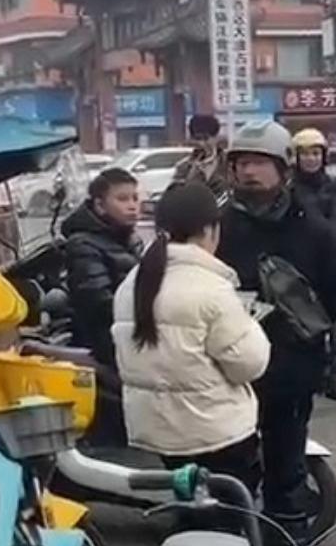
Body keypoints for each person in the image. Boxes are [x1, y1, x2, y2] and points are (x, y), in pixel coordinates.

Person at [217, 119, 336, 546]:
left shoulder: (314, 229)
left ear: (284, 169)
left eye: (259, 163)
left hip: (291, 368)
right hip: (228, 371)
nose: (249, 172)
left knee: (287, 463)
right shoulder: (218, 227)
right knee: (229, 468)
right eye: (241, 162)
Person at [112, 178, 270, 506]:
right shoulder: (211, 288)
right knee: (225, 522)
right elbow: (249, 364)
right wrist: (251, 325)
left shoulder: (132, 283)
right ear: (210, 229)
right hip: (214, 432)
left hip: (159, 431)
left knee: (188, 512)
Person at [60, 167, 141, 441]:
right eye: (122, 199)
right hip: (106, 344)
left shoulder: (130, 240)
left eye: (134, 198)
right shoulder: (83, 244)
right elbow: (97, 300)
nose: (132, 205)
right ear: (99, 205)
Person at [291, 127, 336, 236]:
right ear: (297, 158)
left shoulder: (333, 185)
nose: (311, 159)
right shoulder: (289, 187)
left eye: (316, 153)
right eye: (305, 154)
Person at [173, 112, 229, 198]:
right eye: (197, 139)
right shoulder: (184, 167)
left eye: (205, 138)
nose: (201, 143)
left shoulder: (229, 163)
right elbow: (177, 194)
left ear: (216, 138)